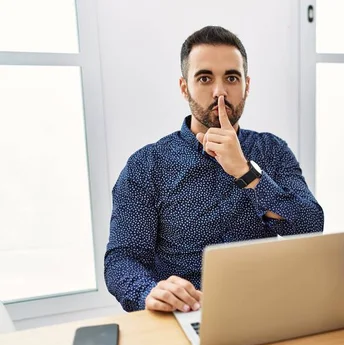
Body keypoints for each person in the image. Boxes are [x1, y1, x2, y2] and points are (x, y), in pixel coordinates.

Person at [104, 26, 324, 313]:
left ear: (247, 85)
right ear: (185, 88)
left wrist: (246, 173)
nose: (220, 92)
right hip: (185, 316)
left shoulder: (271, 150)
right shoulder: (146, 165)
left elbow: (309, 226)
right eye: (205, 78)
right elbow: (122, 259)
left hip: (264, 310)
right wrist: (151, 292)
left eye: (231, 78)